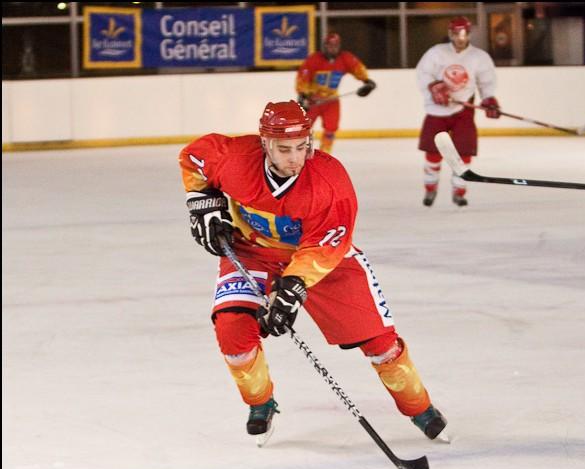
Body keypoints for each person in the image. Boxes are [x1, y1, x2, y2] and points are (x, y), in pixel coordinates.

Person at [179, 101, 446, 443]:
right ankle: (260, 403)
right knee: (232, 331)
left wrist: (291, 289)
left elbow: (325, 246)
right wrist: (203, 203)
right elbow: (193, 158)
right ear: (265, 143)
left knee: (381, 344)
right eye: (284, 149)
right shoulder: (235, 158)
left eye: (302, 146)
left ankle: (419, 407)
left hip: (322, 262)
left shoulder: (329, 181)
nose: (295, 158)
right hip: (253, 252)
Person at [415, 16, 501, 208]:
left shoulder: (478, 57)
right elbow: (423, 73)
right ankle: (430, 188)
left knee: (464, 152)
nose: (460, 38)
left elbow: (486, 81)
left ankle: (459, 191)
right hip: (436, 110)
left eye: (463, 34)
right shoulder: (436, 52)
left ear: (469, 34)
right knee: (433, 153)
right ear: (450, 34)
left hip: (463, 109)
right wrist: (434, 87)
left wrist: (488, 99)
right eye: (456, 34)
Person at [295, 32, 377, 154]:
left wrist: (367, 81)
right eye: (329, 46)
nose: (332, 49)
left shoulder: (345, 58)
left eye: (335, 46)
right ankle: (299, 152)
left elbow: (357, 68)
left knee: (331, 129)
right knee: (303, 128)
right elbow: (303, 77)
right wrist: (303, 95)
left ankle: (325, 154)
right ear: (324, 46)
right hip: (313, 100)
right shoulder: (314, 59)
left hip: (331, 100)